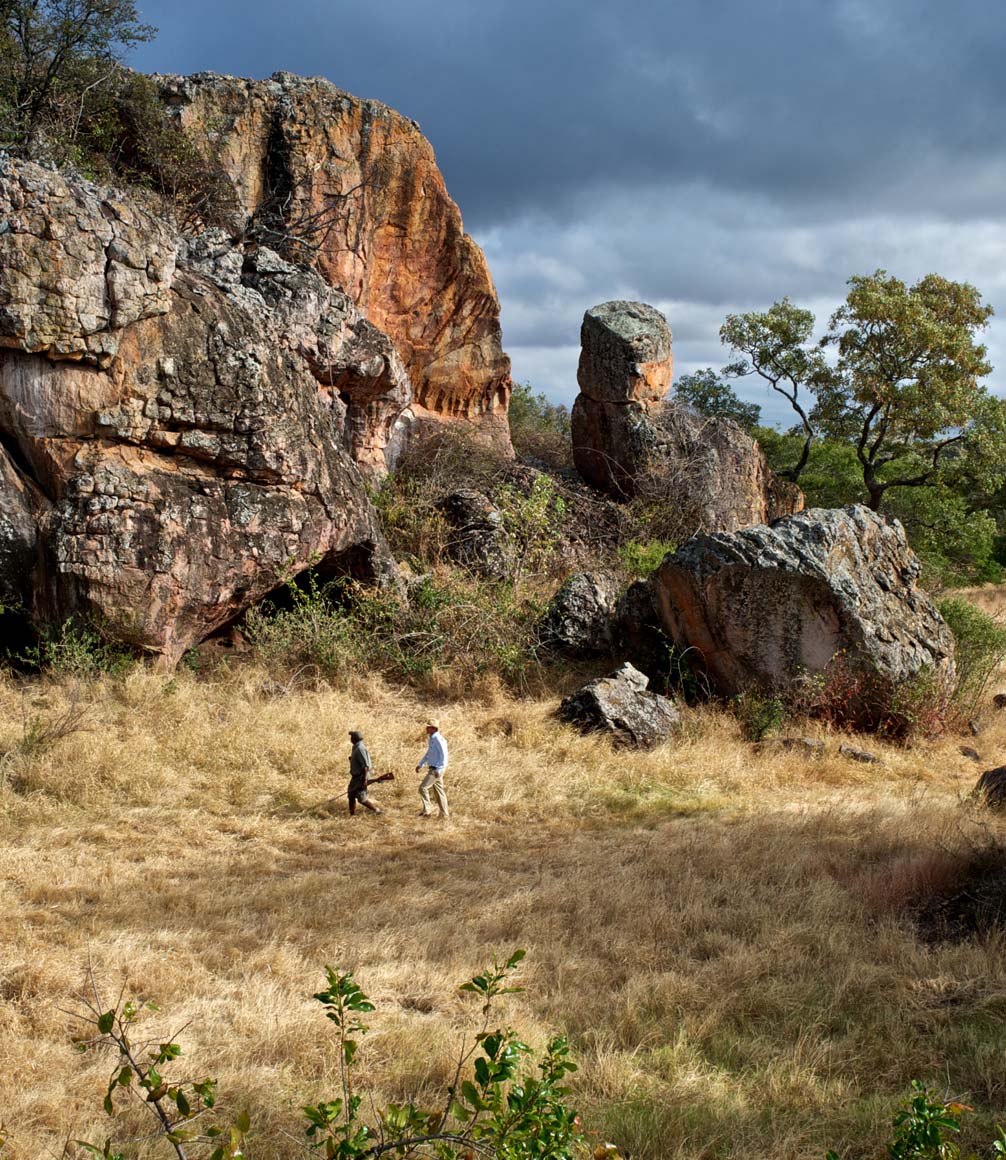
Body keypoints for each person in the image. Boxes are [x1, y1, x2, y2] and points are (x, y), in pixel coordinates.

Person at [416, 718, 449, 818]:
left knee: (423, 788)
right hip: (434, 768)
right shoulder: (432, 738)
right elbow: (429, 754)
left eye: (428, 727)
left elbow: (444, 755)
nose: (426, 728)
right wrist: (421, 764)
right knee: (439, 791)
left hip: (436, 769)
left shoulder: (438, 739)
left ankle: (427, 811)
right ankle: (444, 815)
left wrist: (438, 769)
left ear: (434, 728)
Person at [347, 729, 382, 816]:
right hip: (355, 777)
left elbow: (365, 766)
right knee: (351, 795)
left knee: (361, 798)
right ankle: (352, 815)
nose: (350, 739)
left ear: (354, 739)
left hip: (360, 777)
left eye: (351, 737)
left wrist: (364, 780)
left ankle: (377, 810)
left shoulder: (360, 749)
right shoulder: (356, 747)